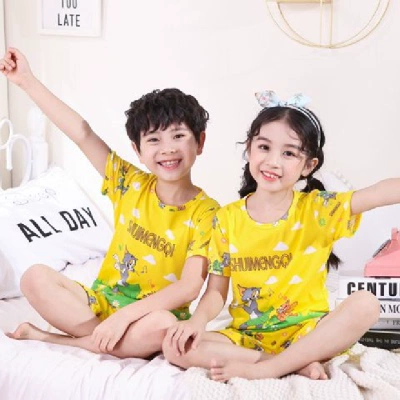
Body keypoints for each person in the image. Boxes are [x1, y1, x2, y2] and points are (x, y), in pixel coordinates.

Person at [0, 48, 219, 359]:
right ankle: (105, 340)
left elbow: (188, 287)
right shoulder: (129, 184)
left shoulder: (208, 213)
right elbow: (82, 133)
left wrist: (125, 318)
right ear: (138, 150)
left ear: (200, 142)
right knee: (33, 277)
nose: (167, 149)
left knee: (164, 324)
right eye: (154, 140)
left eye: (178, 136)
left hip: (149, 319)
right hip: (99, 306)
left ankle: (55, 340)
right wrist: (26, 81)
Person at [162, 90, 389, 382]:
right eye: (264, 147)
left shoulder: (319, 209)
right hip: (249, 338)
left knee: (366, 304)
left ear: (308, 166)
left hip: (310, 334)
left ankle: (268, 369)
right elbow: (216, 291)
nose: (272, 161)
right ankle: (288, 364)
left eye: (289, 153)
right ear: (249, 149)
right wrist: (197, 321)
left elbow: (378, 193)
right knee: (175, 348)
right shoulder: (226, 218)